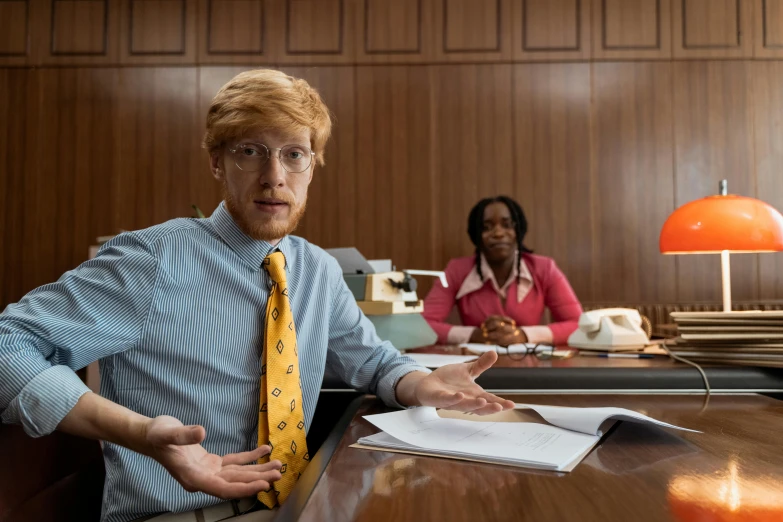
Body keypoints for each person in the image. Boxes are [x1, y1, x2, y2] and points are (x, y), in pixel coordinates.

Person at [0, 70, 515, 522]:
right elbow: (7, 346)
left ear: (313, 167)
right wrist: (138, 432)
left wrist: (422, 384)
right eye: (251, 151)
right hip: (183, 515)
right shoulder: (152, 261)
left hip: (298, 504)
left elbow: (374, 361)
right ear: (217, 163)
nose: (275, 177)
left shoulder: (316, 268)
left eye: (294, 154)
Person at [423, 196, 582, 347]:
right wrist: (475, 335)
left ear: (518, 231)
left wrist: (523, 335)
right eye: (486, 227)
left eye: (507, 225)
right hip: (475, 366)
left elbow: (578, 324)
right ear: (476, 235)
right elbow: (423, 325)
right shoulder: (456, 270)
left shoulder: (545, 268)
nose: (498, 233)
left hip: (530, 367)